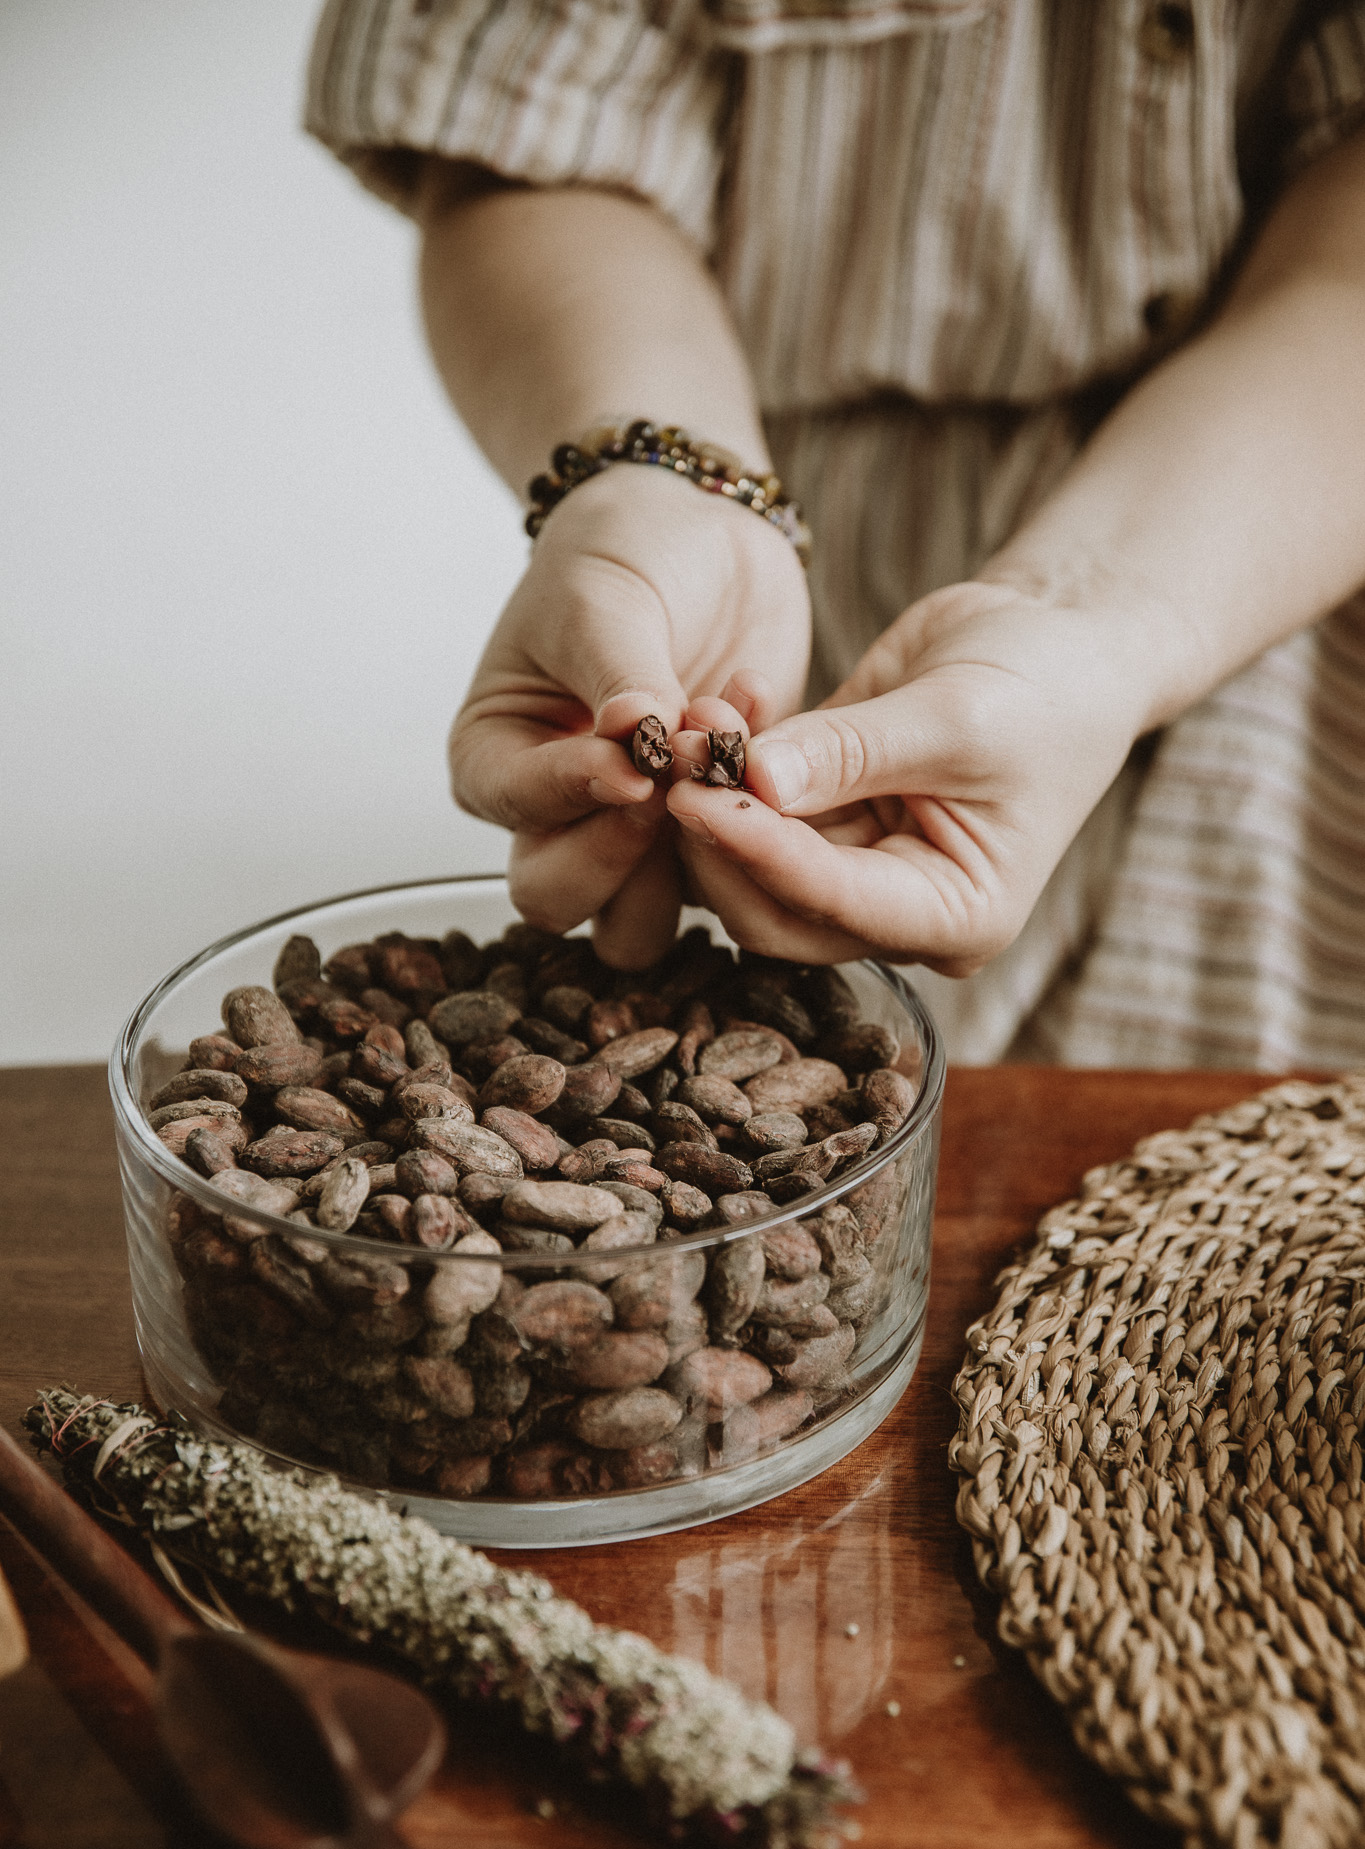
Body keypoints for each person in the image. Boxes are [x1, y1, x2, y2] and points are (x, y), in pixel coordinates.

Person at [306, 0, 1365, 1067]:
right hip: (792, 648)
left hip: (1279, 644)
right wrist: (656, 483)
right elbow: (524, 133)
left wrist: (1093, 621)